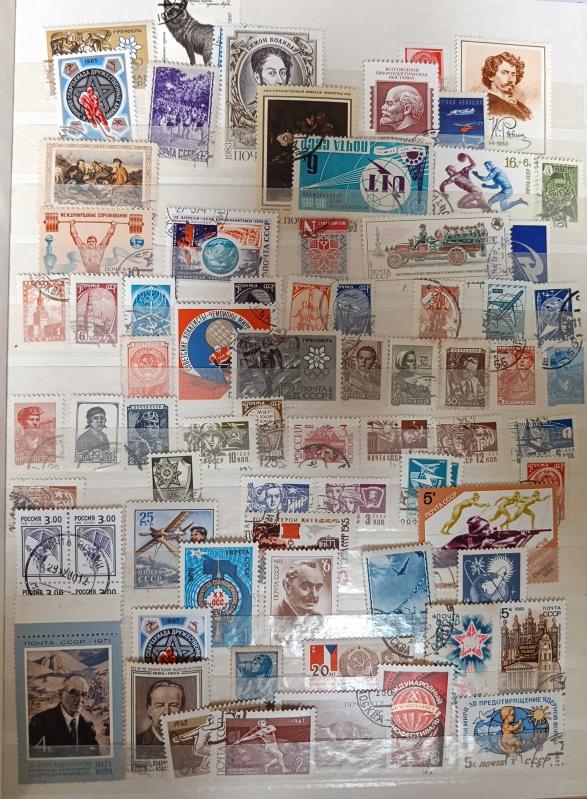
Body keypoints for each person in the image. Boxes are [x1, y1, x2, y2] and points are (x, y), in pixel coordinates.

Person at [28, 675, 100, 757]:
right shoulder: (40, 722)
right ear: (60, 694)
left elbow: (96, 757)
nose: (80, 700)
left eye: (84, 694)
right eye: (74, 693)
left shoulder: (88, 727)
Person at [136, 680, 185, 760]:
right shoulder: (136, 742)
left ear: (182, 710)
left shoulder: (192, 742)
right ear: (150, 711)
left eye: (173, 705)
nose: (166, 712)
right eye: (159, 705)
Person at [481, 52, 533, 121]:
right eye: (504, 73)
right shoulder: (487, 104)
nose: (510, 79)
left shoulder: (523, 108)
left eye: (513, 74)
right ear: (491, 76)